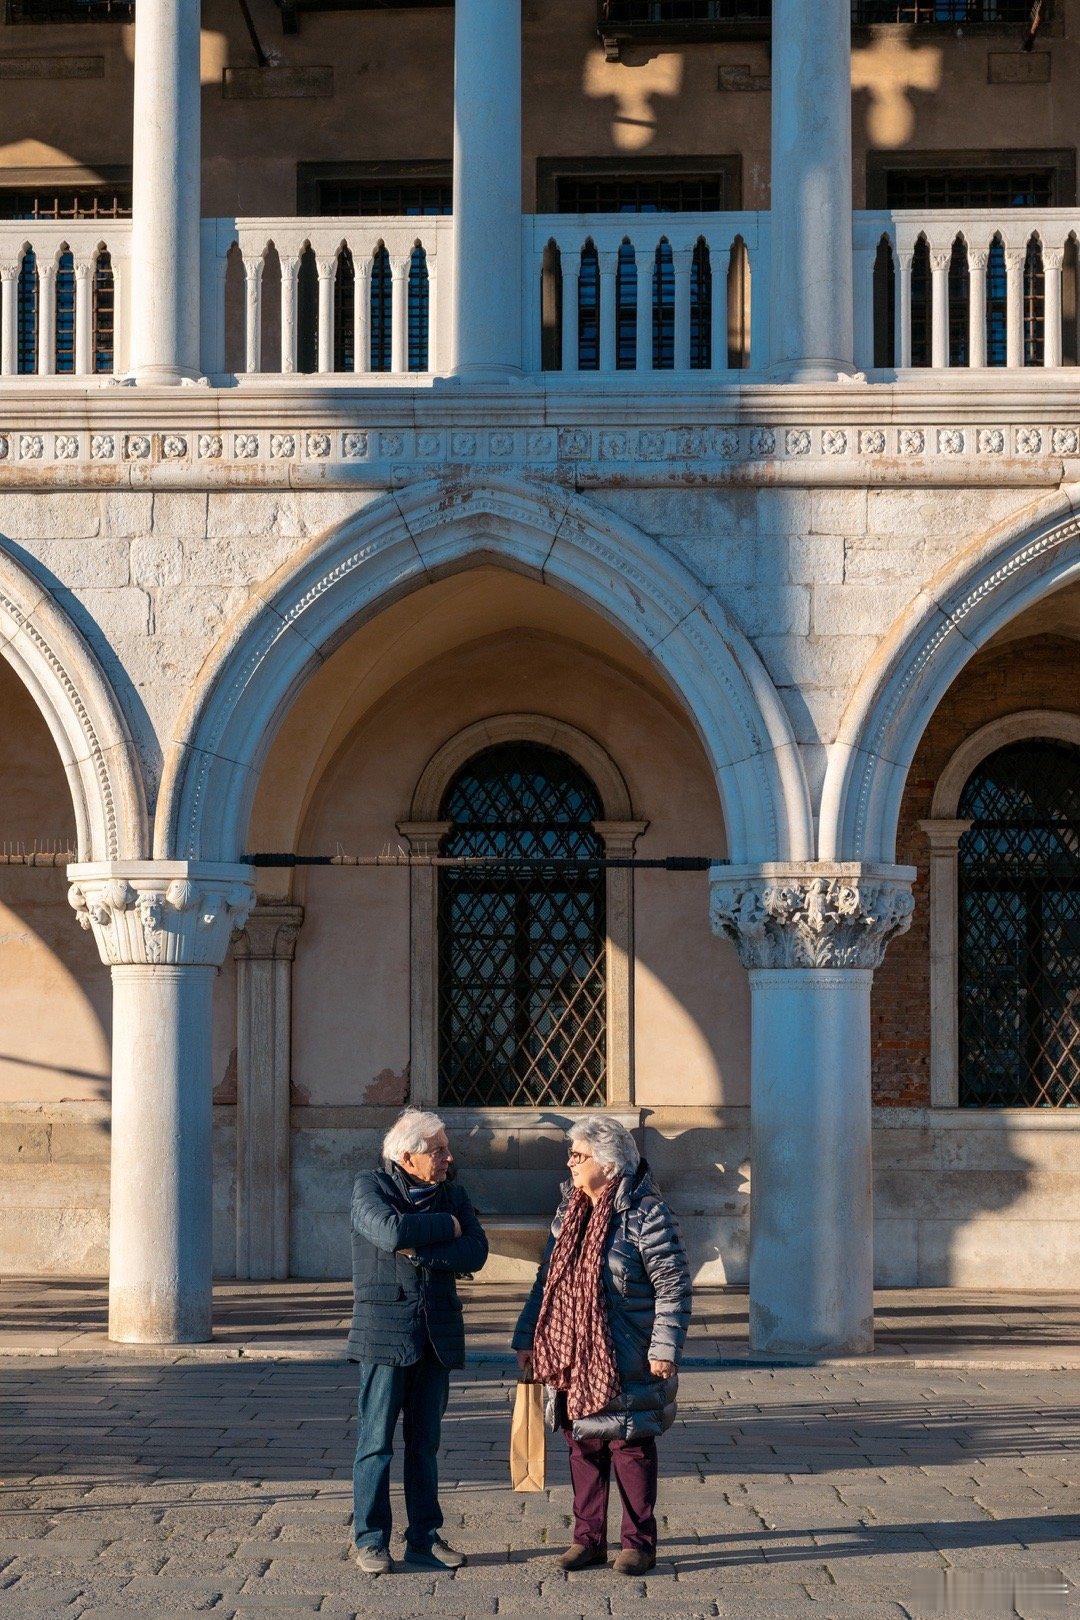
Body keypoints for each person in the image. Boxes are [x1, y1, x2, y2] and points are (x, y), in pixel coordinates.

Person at [512, 1117, 691, 1575]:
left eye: (579, 1155)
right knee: (582, 1445)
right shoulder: (568, 1210)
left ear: (608, 1164)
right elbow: (545, 1282)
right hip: (568, 1350)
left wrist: (664, 1348)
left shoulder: (646, 1214)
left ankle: (637, 1542)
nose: (570, 1162)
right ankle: (587, 1538)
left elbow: (673, 1285)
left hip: (626, 1352)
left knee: (629, 1445)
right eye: (571, 1154)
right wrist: (527, 1337)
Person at [348, 1108, 488, 1575]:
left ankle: (423, 1538)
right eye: (439, 1150)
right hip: (385, 1332)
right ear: (408, 1156)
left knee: (424, 1444)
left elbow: (476, 1250)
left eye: (447, 1148)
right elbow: (388, 1231)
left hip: (437, 1333)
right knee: (376, 1443)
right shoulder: (371, 1187)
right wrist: (447, 1228)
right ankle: (369, 1540)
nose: (449, 1157)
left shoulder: (454, 1193)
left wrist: (426, 1242)